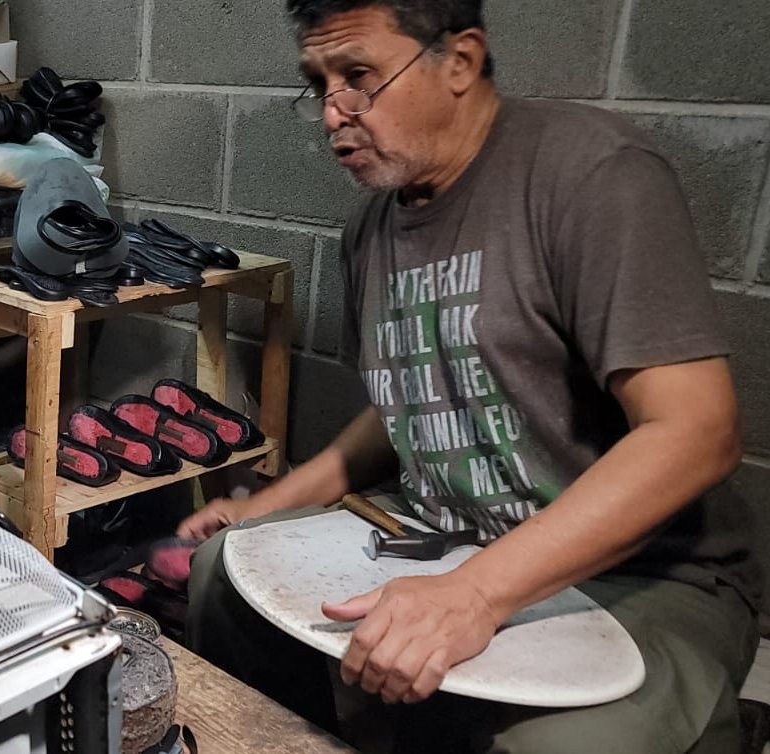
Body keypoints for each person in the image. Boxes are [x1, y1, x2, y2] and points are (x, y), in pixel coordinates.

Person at [178, 1, 762, 752]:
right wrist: (268, 505)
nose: (332, 113)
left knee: (553, 748)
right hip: (445, 532)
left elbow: (697, 431)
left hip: (643, 569)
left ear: (459, 62)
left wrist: (477, 594)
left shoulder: (590, 176)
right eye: (319, 84)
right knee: (223, 575)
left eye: (358, 76)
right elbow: (408, 406)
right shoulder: (371, 230)